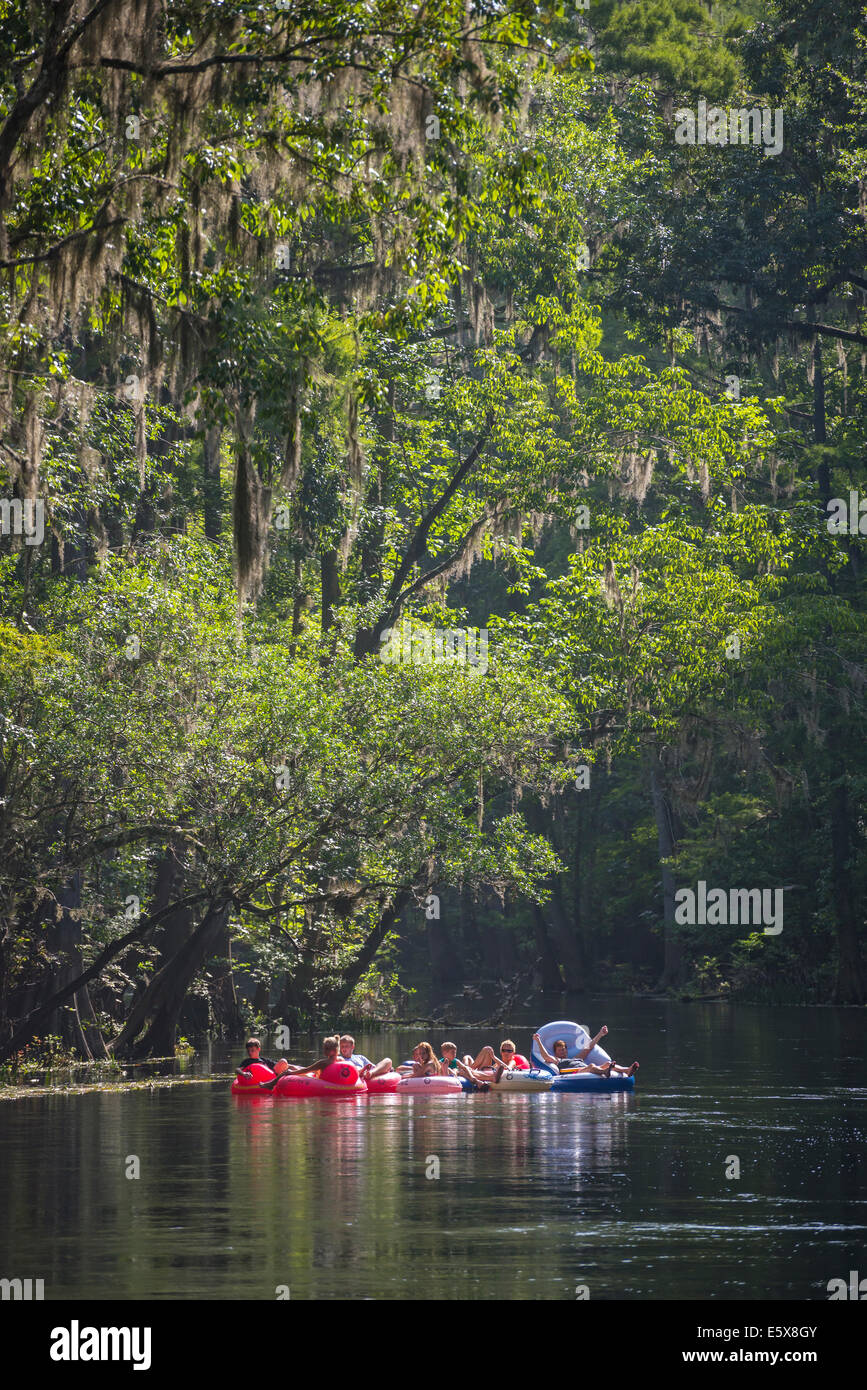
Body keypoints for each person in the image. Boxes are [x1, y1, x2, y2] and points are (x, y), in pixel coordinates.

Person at [258, 1035, 341, 1090]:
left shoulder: (323, 1062)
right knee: (291, 1066)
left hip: (317, 1080)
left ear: (333, 1050)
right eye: (324, 1048)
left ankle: (270, 1085)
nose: (324, 1050)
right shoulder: (339, 1060)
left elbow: (307, 1070)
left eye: (326, 1049)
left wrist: (291, 1073)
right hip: (321, 1078)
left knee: (288, 1070)